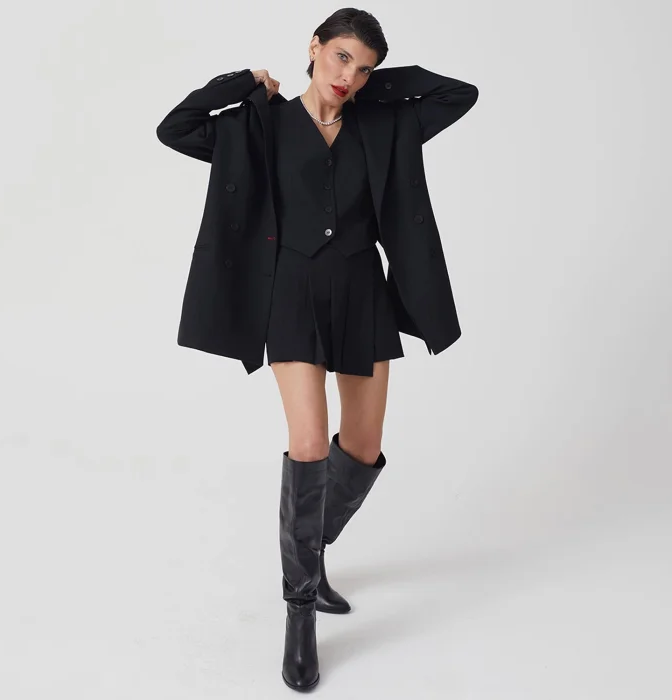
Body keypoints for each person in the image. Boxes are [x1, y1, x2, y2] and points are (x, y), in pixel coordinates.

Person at [156, 7, 478, 692]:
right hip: (290, 294)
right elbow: (175, 128)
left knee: (362, 447)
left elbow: (460, 94)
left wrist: (374, 87)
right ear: (314, 47)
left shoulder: (384, 122)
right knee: (307, 444)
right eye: (340, 58)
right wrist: (242, 82)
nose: (348, 76)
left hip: (363, 293)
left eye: (363, 68)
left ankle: (311, 548)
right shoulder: (261, 123)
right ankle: (298, 614)